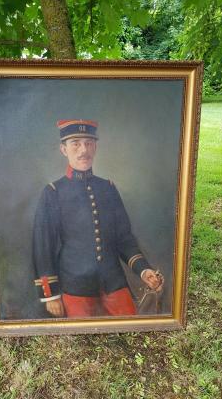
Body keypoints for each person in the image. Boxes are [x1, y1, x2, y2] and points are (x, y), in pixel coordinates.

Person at [32, 119, 164, 318]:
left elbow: (124, 239)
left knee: (132, 330)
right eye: (75, 143)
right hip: (75, 286)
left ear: (95, 147)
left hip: (114, 282)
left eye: (89, 143)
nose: (83, 150)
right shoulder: (53, 192)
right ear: (63, 149)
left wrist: (143, 270)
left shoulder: (108, 188)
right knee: (84, 344)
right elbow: (43, 248)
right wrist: (50, 295)